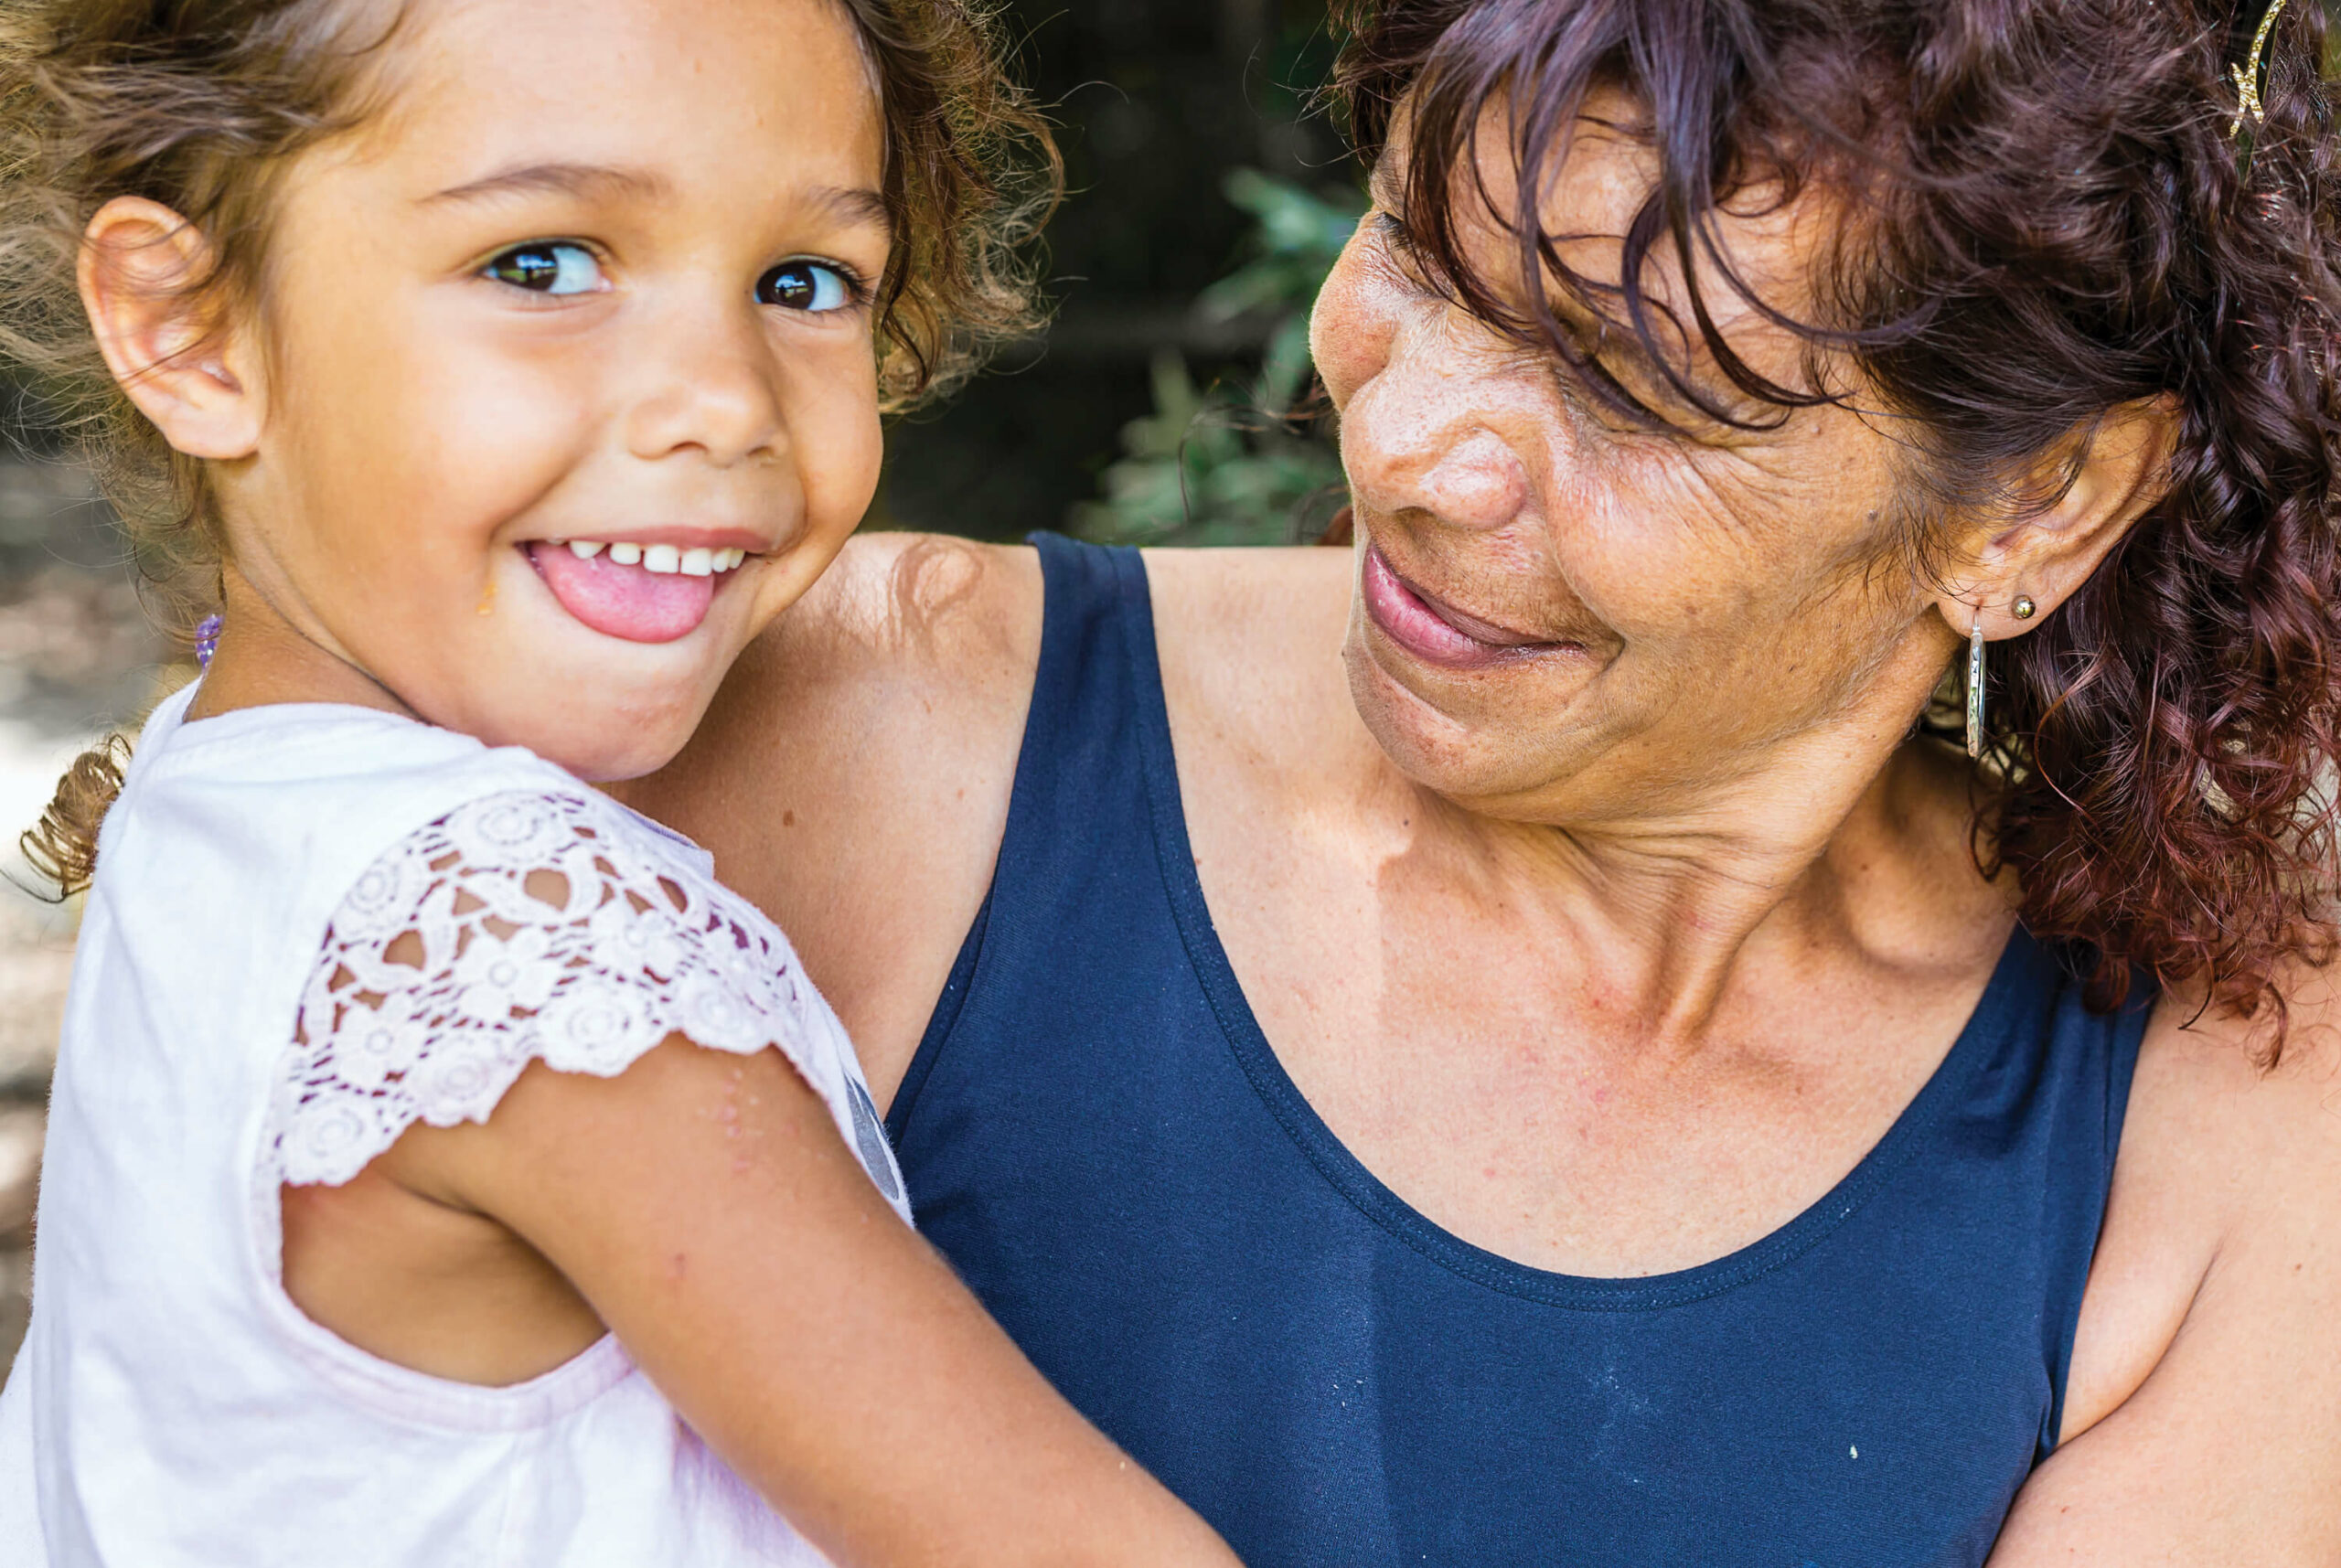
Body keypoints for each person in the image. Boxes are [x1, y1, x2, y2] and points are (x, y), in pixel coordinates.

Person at [627, 0, 2341, 1562]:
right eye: (1415, 248)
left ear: (2032, 503)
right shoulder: (860, 736)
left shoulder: (2224, 1128)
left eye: (1631, 385)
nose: (1405, 451)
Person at [0, 0, 1245, 1563]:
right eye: (542, 264)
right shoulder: (528, 941)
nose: (725, 400)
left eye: (804, 283)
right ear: (191, 327)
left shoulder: (215, 782)